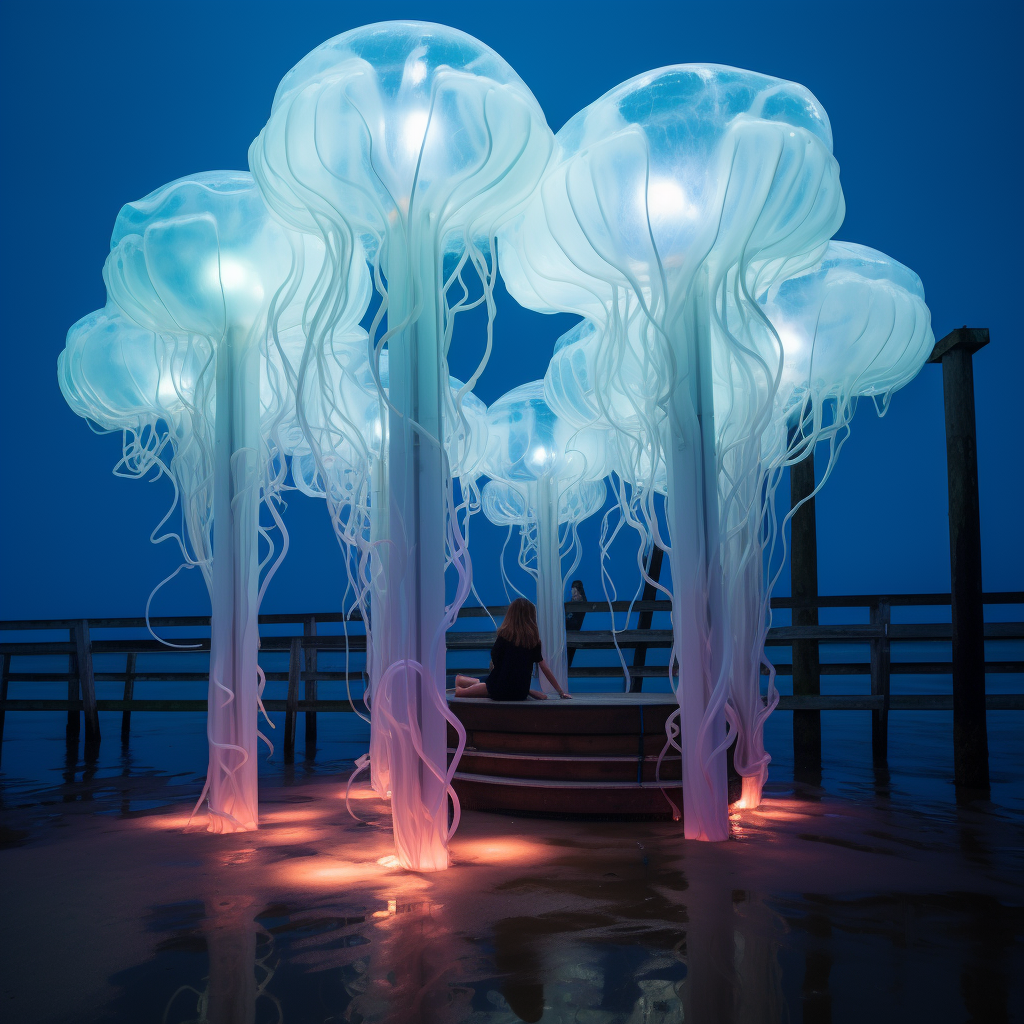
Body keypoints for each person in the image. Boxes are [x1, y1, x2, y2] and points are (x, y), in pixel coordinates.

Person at [454, 597, 572, 701]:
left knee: (482, 686)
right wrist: (560, 692)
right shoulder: (533, 641)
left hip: (499, 689)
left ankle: (461, 683)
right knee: (495, 682)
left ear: (511, 615)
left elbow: (495, 658)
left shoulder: (504, 636)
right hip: (520, 692)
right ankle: (461, 681)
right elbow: (544, 667)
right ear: (531, 617)